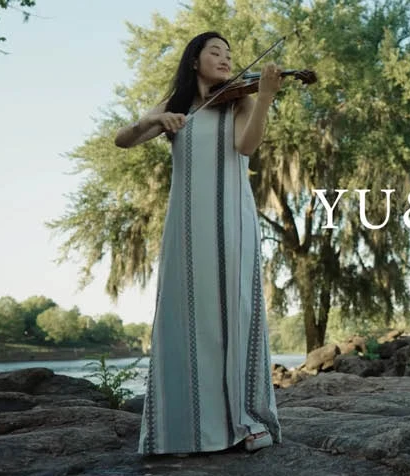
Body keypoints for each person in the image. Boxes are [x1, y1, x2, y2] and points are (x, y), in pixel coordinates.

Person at [113, 31, 283, 456]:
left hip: (232, 221)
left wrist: (264, 97)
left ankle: (248, 421)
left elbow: (246, 146)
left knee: (235, 314)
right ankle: (184, 426)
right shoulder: (175, 105)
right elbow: (123, 139)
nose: (226, 59)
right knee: (187, 316)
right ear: (194, 60)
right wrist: (154, 121)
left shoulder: (241, 100)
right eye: (216, 52)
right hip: (185, 225)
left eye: (230, 52)